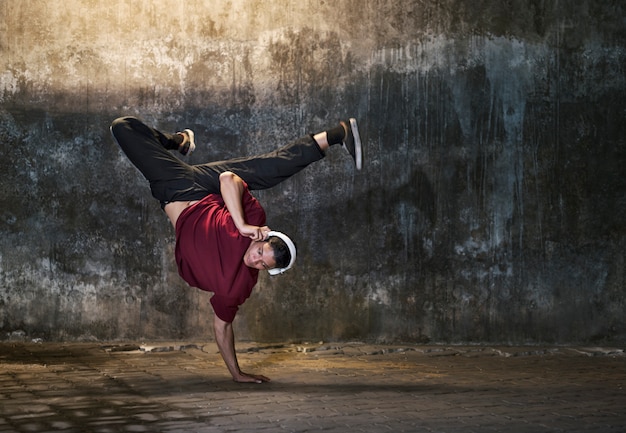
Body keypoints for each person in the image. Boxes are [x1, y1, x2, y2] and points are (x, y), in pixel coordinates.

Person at [110, 116, 362, 383]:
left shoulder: (238, 287)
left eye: (263, 265)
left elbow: (223, 327)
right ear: (263, 239)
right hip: (205, 187)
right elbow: (228, 178)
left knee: (125, 130)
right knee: (265, 169)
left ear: (269, 271)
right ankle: (336, 134)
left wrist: (236, 373)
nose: (255, 259)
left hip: (174, 189)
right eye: (260, 252)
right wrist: (242, 224)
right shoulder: (253, 224)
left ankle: (181, 142)